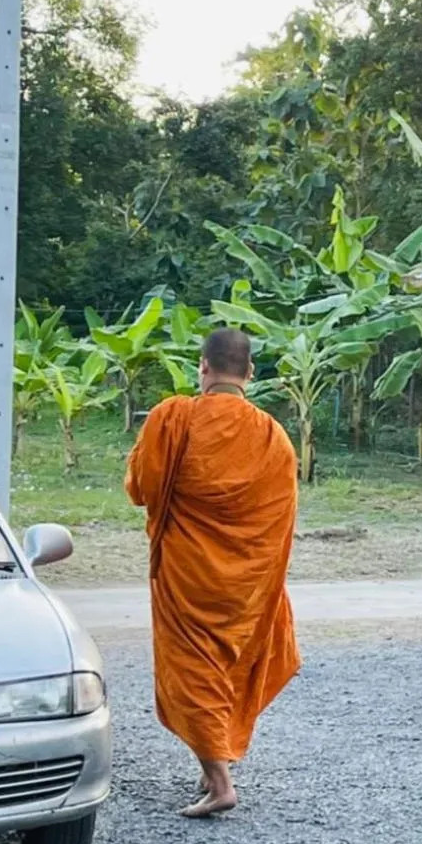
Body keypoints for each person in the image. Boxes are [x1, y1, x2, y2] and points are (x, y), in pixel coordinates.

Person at [124, 328, 301, 818]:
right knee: (224, 667)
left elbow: (140, 488)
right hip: (245, 584)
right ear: (249, 374)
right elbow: (279, 521)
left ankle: (221, 783)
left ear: (202, 367)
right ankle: (212, 764)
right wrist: (263, 584)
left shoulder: (172, 419)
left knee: (194, 670)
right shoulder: (273, 437)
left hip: (188, 577)